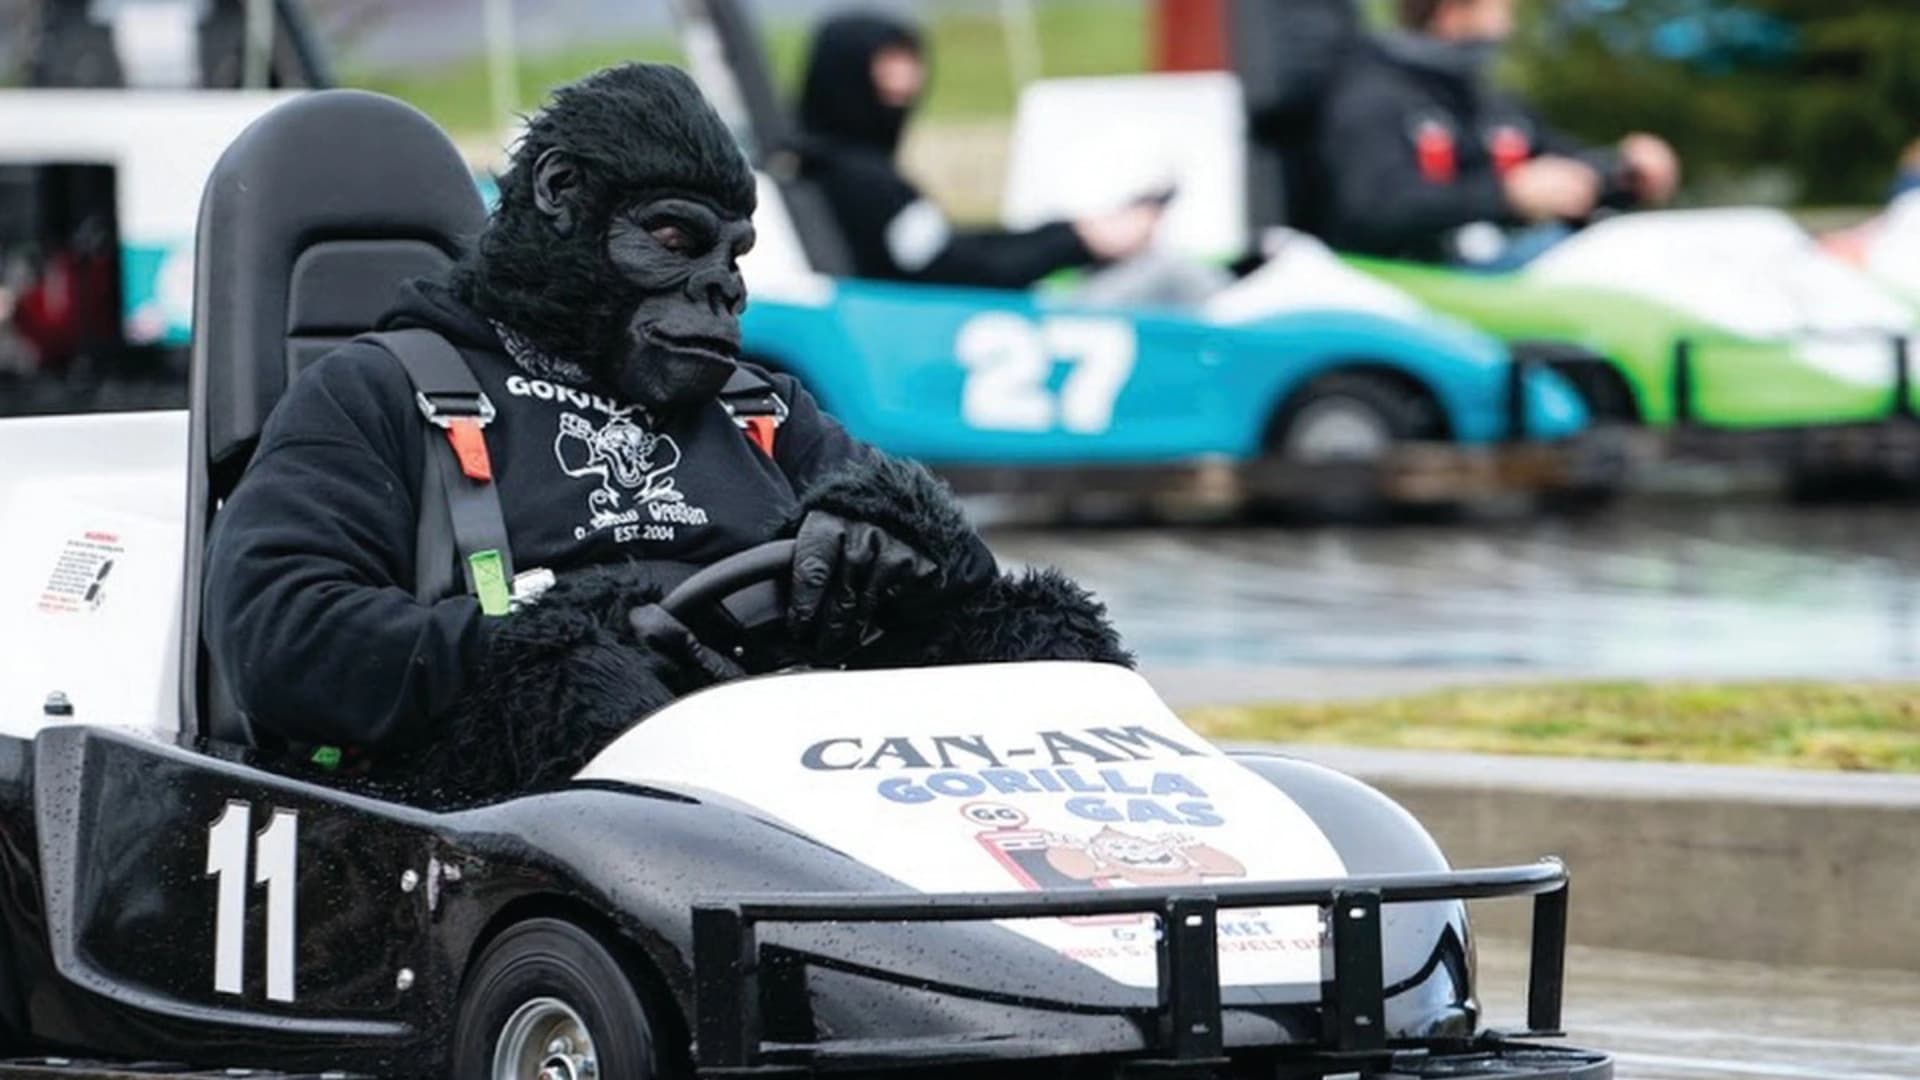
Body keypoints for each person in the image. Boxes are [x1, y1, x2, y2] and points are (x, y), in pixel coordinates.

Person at [202, 63, 1126, 795]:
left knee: (1046, 637)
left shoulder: (761, 407)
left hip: (792, 763)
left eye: (736, 256)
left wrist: (895, 545)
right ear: (562, 196)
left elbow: (966, 586)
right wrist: (562, 642)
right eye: (678, 242)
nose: (722, 287)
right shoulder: (374, 391)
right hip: (519, 790)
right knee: (584, 682)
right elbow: (281, 636)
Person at [796, 13, 1166, 290]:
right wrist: (1081, 243)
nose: (907, 84)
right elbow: (958, 269)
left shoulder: (829, 167)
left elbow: (948, 246)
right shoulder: (862, 182)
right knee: (1171, 280)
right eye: (889, 72)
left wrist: (1069, 232)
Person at [1313, 0, 1681, 268]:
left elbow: (1563, 166)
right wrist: (1506, 196)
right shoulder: (1371, 92)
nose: (1509, 24)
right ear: (1452, 12)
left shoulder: (1493, 104)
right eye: (1499, 8)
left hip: (1506, 281)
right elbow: (1374, 208)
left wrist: (1626, 172)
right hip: (1415, 287)